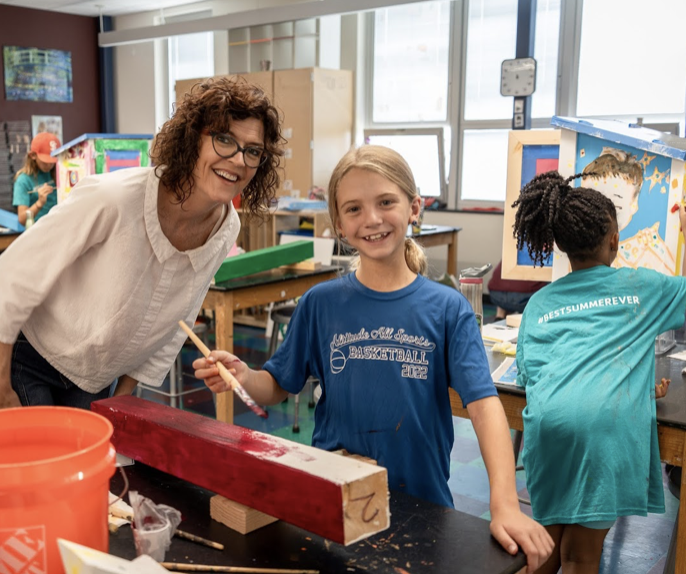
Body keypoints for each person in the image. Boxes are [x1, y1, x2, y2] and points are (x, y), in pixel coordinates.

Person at [193, 145, 553, 572]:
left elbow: (484, 405)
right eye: (354, 209)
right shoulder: (320, 304)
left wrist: (505, 503)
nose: (372, 219)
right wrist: (243, 375)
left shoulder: (447, 309)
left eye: (386, 202)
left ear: (413, 207)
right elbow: (277, 384)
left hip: (423, 506)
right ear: (341, 226)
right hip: (334, 501)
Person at [0, 76, 283, 412]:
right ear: (192, 140)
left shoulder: (225, 228)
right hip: (20, 351)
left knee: (90, 463)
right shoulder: (113, 199)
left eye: (253, 151)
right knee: (40, 462)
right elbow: (9, 277)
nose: (238, 160)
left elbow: (178, 320)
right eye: (223, 140)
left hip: (90, 375)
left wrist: (123, 398)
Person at [512, 170, 686, 574]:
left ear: (562, 246)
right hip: (604, 434)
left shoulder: (539, 303)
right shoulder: (642, 287)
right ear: (614, 240)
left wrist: (640, 389)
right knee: (581, 557)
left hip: (548, 432)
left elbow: (541, 376)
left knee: (545, 549)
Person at [582, 147, 677, 273]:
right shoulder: (578, 252)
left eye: (615, 206)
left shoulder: (648, 249)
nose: (601, 214)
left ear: (634, 204)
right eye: (589, 203)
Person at [13, 132, 60, 227]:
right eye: (45, 161)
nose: (49, 165)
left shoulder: (60, 173)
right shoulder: (24, 180)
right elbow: (22, 219)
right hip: (38, 231)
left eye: (52, 161)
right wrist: (39, 203)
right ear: (33, 156)